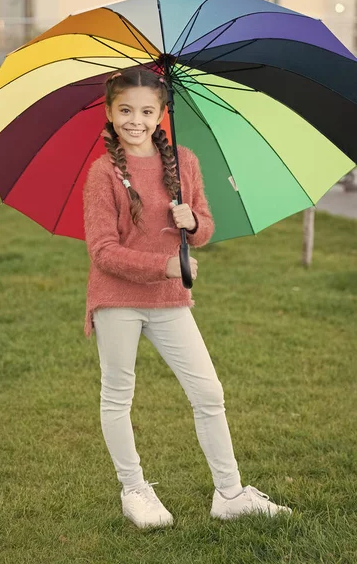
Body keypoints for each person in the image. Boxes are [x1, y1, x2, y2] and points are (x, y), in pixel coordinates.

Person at [82, 68, 292, 529]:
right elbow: (102, 252)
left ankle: (230, 494)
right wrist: (162, 266)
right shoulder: (103, 173)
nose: (135, 120)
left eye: (146, 111)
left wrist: (192, 222)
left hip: (170, 301)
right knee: (118, 394)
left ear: (161, 114)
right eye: (125, 111)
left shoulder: (184, 162)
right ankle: (134, 489)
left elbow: (205, 230)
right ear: (110, 112)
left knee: (208, 392)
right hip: (117, 299)